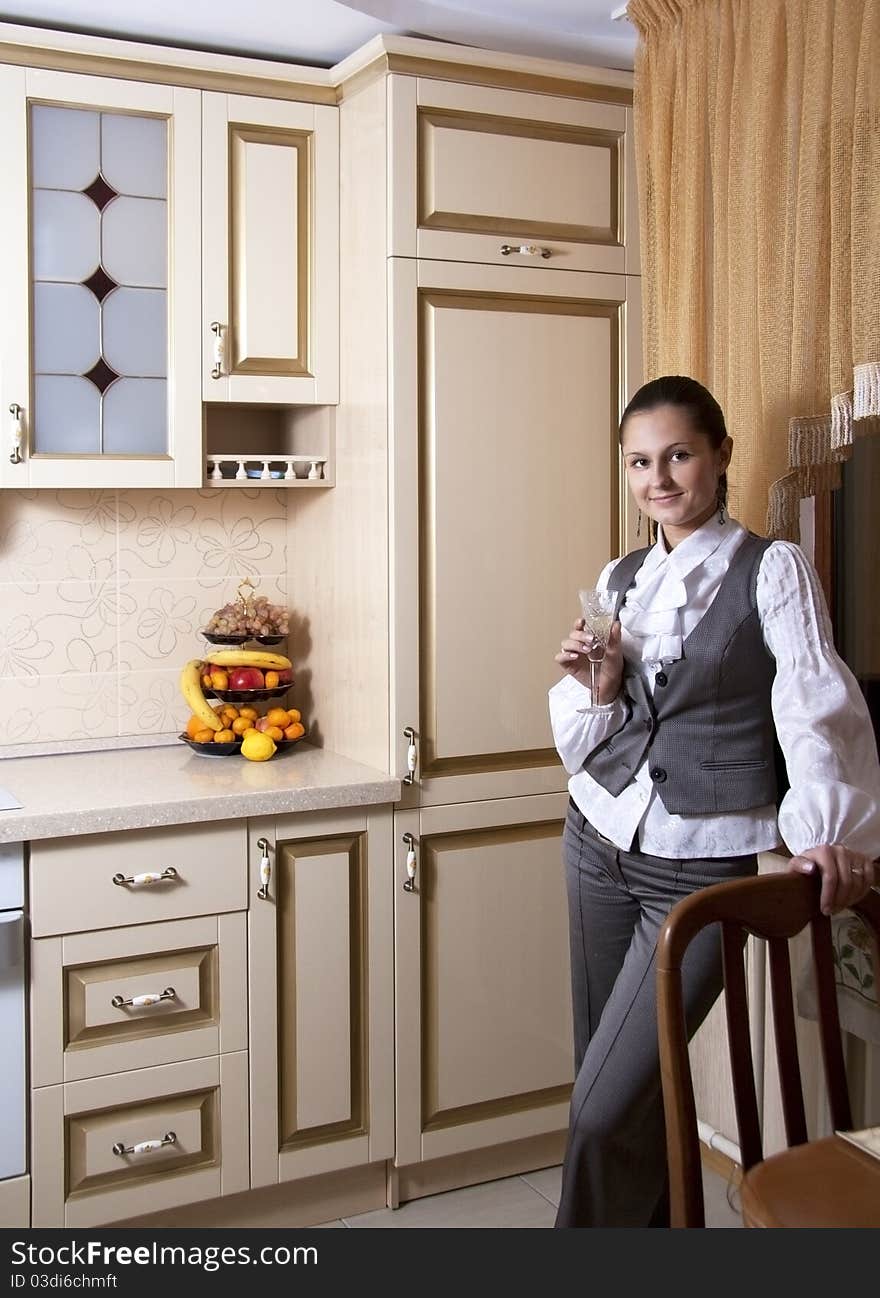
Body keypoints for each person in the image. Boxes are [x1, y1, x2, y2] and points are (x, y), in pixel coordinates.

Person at [549, 374, 880, 1228]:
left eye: (679, 455)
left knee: (601, 1110)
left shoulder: (772, 570)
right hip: (596, 841)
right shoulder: (620, 575)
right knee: (610, 1087)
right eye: (639, 462)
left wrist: (828, 828)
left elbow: (811, 703)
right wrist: (600, 687)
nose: (658, 480)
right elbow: (601, 729)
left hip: (694, 871)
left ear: (721, 453)